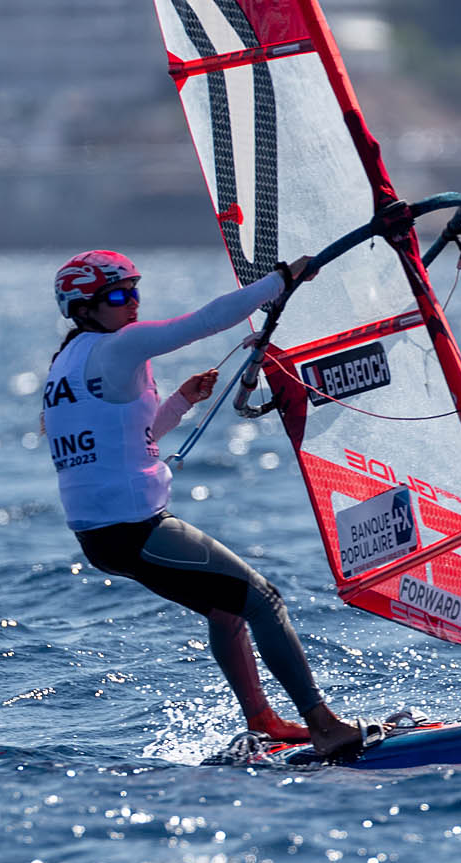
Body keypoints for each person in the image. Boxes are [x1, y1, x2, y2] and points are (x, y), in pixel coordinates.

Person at [43, 249, 364, 757]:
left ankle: (263, 721)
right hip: (134, 528)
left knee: (226, 608)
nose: (133, 304)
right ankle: (324, 726)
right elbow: (204, 321)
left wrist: (183, 401)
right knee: (264, 599)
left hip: (101, 534)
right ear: (84, 309)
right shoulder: (119, 347)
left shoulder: (68, 363)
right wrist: (282, 279)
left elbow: (136, 434)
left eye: (135, 292)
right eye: (119, 296)